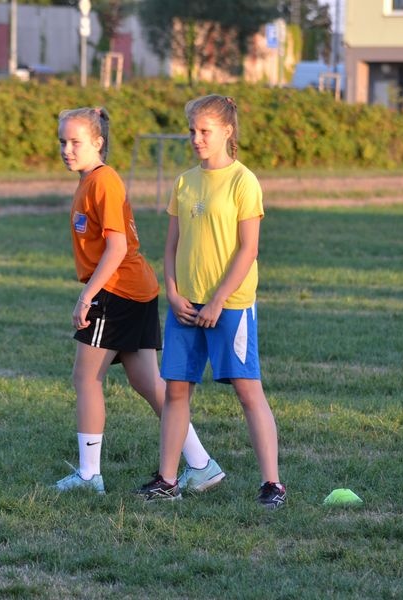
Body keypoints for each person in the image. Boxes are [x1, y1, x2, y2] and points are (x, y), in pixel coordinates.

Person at [52, 106, 225, 494]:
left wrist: (86, 297)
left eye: (76, 142)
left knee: (86, 378)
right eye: (62, 141)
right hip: (135, 290)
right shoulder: (90, 180)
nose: (67, 149)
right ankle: (202, 465)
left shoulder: (103, 181)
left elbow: (116, 248)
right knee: (147, 382)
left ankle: (89, 476)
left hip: (117, 291)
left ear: (98, 142)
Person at [135, 95, 286, 508]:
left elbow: (249, 249)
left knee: (247, 391)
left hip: (230, 305)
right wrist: (172, 291)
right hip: (185, 305)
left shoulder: (243, 181)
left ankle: (272, 484)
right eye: (192, 131)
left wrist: (219, 300)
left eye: (205, 131)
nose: (196, 138)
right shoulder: (185, 182)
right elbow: (171, 246)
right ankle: (168, 480)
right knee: (176, 391)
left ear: (227, 131)